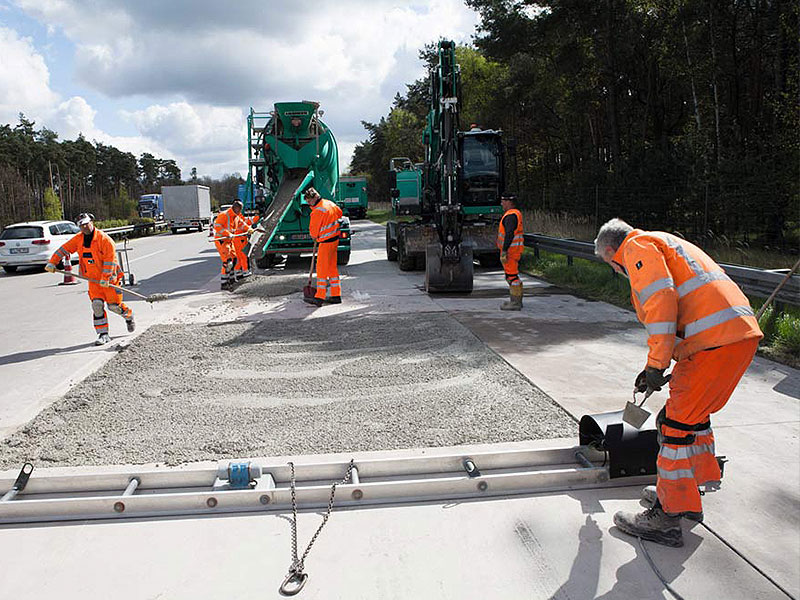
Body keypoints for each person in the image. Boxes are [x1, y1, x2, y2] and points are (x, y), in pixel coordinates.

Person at [594, 218, 763, 547]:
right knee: (693, 419)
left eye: (610, 264)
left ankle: (668, 516)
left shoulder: (637, 250)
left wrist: (656, 364)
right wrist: (658, 364)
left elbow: (661, 303)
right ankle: (689, 493)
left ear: (613, 251)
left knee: (673, 426)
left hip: (714, 344)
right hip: (733, 338)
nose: (616, 270)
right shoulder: (662, 241)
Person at [45, 213, 135, 345]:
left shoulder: (105, 240)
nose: (85, 227)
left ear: (91, 222)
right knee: (97, 305)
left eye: (86, 224)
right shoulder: (78, 239)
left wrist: (106, 278)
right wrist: (52, 262)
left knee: (114, 306)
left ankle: (128, 315)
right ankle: (103, 334)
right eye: (81, 225)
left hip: (109, 280)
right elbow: (64, 249)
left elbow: (110, 261)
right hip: (93, 281)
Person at [304, 187, 342, 307]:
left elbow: (314, 233)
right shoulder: (329, 203)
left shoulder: (317, 211)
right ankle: (336, 295)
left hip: (325, 243)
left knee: (321, 270)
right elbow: (340, 213)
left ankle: (319, 297)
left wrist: (315, 236)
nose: (309, 204)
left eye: (309, 201)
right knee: (332, 268)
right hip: (334, 240)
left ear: (314, 198)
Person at [213, 200, 250, 289]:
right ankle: (224, 283)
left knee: (234, 259)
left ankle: (232, 280)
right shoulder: (224, 215)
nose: (240, 211)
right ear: (236, 208)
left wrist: (249, 229)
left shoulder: (236, 216)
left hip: (229, 241)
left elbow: (242, 224)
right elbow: (217, 226)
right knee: (227, 262)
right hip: (222, 241)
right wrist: (227, 233)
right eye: (240, 209)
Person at [497, 192, 524, 310]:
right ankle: (516, 300)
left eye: (503, 201)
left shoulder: (511, 216)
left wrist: (504, 250)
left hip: (511, 252)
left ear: (509, 202)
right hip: (512, 251)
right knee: (510, 276)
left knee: (512, 277)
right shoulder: (513, 214)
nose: (501, 203)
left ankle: (516, 303)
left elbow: (509, 234)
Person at [233, 211, 259, 279]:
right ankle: (245, 271)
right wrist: (258, 216)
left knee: (239, 257)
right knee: (243, 256)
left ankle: (238, 271)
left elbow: (249, 222)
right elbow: (248, 224)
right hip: (240, 240)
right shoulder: (240, 219)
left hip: (237, 240)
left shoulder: (235, 219)